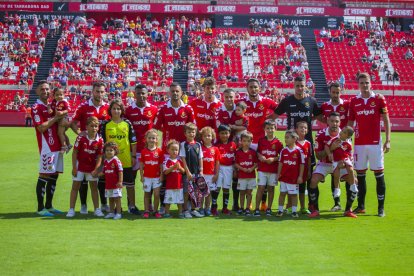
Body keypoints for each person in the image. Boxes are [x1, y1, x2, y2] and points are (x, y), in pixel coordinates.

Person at [347, 73, 390, 217]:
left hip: (375, 144)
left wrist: (388, 140)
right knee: (360, 175)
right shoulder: (354, 101)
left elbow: (386, 119)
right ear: (358, 84)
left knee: (379, 175)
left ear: (371, 83)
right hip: (359, 144)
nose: (364, 85)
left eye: (367, 83)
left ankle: (381, 208)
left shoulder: (378, 99)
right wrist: (346, 139)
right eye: (362, 83)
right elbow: (350, 123)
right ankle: (361, 206)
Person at [70, 82, 110, 214]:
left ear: (105, 93)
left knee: (101, 176)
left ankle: (103, 204)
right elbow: (72, 122)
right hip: (85, 149)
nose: (99, 94)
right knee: (83, 179)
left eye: (102, 92)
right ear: (92, 92)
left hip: (101, 148)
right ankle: (83, 205)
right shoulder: (83, 107)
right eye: (97, 91)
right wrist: (79, 134)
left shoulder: (108, 107)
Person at [308, 112, 357, 218]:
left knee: (354, 180)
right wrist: (331, 149)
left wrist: (343, 163)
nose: (334, 123)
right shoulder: (320, 134)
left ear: (340, 122)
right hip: (325, 164)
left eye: (337, 121)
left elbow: (349, 154)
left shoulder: (346, 134)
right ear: (327, 121)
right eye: (332, 121)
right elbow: (318, 156)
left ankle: (348, 210)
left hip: (341, 164)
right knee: (313, 180)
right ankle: (315, 209)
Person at [32, 80, 65, 217]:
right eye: (42, 89)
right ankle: (40, 208)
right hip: (47, 147)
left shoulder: (52, 105)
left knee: (54, 176)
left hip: (57, 146)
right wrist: (56, 117)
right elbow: (41, 127)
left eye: (47, 89)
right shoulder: (36, 107)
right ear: (37, 91)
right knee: (44, 176)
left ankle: (49, 206)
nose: (45, 91)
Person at [101, 99, 139, 215]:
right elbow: (103, 143)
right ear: (110, 110)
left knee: (130, 185)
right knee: (112, 185)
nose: (116, 111)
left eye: (118, 108)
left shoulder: (127, 123)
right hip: (111, 160)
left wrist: (133, 156)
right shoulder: (106, 125)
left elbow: (133, 141)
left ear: (122, 110)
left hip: (126, 158)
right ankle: (117, 208)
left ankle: (132, 206)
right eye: (114, 108)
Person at [67, 117, 104, 218]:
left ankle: (97, 209)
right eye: (91, 126)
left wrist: (97, 169)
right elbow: (75, 153)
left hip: (92, 167)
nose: (94, 128)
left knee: (94, 188)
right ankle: (71, 209)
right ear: (86, 127)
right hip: (80, 165)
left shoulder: (100, 140)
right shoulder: (81, 138)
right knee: (75, 186)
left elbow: (100, 156)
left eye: (96, 126)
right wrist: (74, 167)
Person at [125, 84, 158, 183]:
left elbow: (160, 125)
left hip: (149, 150)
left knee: (150, 181)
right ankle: (131, 199)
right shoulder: (128, 110)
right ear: (134, 95)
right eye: (138, 93)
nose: (141, 95)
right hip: (133, 151)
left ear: (148, 94)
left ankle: (148, 199)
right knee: (131, 181)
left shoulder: (154, 109)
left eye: (143, 93)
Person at [325, 126, 359, 218]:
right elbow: (327, 146)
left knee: (351, 170)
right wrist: (329, 153)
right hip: (336, 161)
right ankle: (337, 189)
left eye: (343, 132)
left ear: (347, 136)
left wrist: (345, 161)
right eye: (342, 131)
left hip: (345, 160)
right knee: (336, 173)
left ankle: (353, 186)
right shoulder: (334, 139)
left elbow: (350, 154)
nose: (340, 132)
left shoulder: (348, 143)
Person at [215, 88, 240, 210]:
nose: (229, 99)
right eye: (227, 97)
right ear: (223, 98)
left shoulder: (239, 109)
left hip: (236, 144)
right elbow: (218, 127)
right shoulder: (219, 111)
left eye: (231, 97)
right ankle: (214, 206)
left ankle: (235, 204)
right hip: (223, 145)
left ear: (234, 97)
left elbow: (246, 123)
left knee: (235, 179)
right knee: (218, 185)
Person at [154, 83, 195, 151]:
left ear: (181, 93)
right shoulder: (163, 109)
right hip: (168, 149)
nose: (175, 93)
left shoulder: (188, 108)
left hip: (184, 148)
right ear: (169, 93)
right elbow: (156, 128)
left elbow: (193, 127)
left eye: (177, 91)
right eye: (172, 91)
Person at [254, 119, 283, 216]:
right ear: (264, 129)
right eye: (268, 128)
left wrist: (274, 159)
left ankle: (269, 209)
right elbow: (257, 152)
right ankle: (257, 208)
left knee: (271, 189)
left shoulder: (278, 143)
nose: (270, 130)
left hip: (273, 170)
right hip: (262, 169)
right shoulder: (261, 140)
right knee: (261, 188)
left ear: (275, 129)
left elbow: (281, 156)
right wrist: (260, 156)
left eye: (272, 128)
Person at [276, 130, 305, 218]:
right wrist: (278, 174)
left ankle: (294, 211)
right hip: (284, 177)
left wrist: (300, 176)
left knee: (293, 195)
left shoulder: (299, 151)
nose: (285, 139)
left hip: (293, 178)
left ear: (294, 139)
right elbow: (280, 163)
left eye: (287, 138)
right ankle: (280, 210)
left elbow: (302, 164)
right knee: (282, 193)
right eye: (285, 137)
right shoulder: (283, 151)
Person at [179, 123, 204, 218]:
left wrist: (201, 171)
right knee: (186, 192)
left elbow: (200, 158)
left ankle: (193, 210)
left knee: (196, 192)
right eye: (189, 132)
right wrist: (187, 172)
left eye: (193, 132)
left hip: (197, 173)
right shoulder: (183, 144)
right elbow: (183, 159)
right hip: (187, 174)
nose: (191, 134)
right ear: (185, 133)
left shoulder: (198, 144)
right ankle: (186, 210)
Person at [139, 130, 164, 219]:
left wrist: (161, 175)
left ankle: (155, 211)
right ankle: (146, 211)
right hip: (147, 177)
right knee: (147, 194)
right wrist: (141, 176)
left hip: (156, 177)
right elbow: (141, 165)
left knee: (156, 195)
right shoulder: (143, 151)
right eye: (149, 138)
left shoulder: (160, 152)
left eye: (153, 138)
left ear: (157, 139)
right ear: (146, 139)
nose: (151, 140)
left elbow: (161, 165)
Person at [214, 124, 237, 216]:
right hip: (219, 168)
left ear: (229, 134)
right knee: (217, 188)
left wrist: (235, 170)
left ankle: (225, 208)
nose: (224, 135)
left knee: (226, 188)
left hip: (229, 169)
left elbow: (235, 158)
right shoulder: (216, 145)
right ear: (218, 134)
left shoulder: (233, 144)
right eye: (222, 133)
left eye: (226, 133)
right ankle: (214, 208)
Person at [235, 131, 258, 216]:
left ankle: (247, 208)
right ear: (241, 141)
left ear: (251, 141)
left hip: (251, 176)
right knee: (242, 192)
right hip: (242, 176)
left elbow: (256, 163)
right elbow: (236, 163)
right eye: (244, 141)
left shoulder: (253, 152)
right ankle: (241, 207)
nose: (246, 143)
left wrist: (252, 168)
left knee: (249, 192)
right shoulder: (238, 152)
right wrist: (243, 169)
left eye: (248, 141)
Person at [200, 126, 220, 216]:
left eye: (209, 135)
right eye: (205, 136)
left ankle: (207, 208)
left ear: (212, 137)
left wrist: (216, 174)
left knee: (208, 193)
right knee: (201, 193)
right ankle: (200, 208)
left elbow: (217, 162)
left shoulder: (215, 149)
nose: (207, 137)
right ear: (202, 137)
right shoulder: (200, 148)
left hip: (211, 175)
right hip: (202, 174)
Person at [163, 140, 185, 218]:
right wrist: (173, 167)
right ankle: (167, 213)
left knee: (180, 201)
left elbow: (183, 171)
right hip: (170, 186)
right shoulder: (167, 161)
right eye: (172, 149)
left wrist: (179, 168)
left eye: (176, 150)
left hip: (179, 185)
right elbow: (165, 172)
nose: (174, 151)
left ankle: (180, 213)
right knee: (168, 201)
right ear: (168, 150)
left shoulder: (180, 161)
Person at [101, 142, 123, 220]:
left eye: (111, 150)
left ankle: (118, 213)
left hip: (116, 184)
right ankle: (111, 212)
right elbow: (104, 171)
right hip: (108, 184)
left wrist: (120, 182)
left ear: (115, 151)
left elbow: (120, 171)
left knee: (117, 198)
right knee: (110, 198)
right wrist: (98, 173)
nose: (109, 152)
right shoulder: (106, 161)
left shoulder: (116, 160)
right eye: (107, 150)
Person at [295, 121, 312, 214]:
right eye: (301, 127)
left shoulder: (308, 144)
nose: (303, 129)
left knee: (302, 188)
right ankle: (290, 206)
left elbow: (309, 158)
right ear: (296, 129)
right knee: (291, 188)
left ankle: (302, 207)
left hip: (304, 170)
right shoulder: (293, 142)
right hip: (293, 170)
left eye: (305, 128)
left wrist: (309, 170)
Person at [49, 88, 71, 153]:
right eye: (57, 95)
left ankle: (64, 147)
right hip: (58, 119)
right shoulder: (54, 101)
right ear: (54, 95)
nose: (59, 96)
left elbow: (68, 109)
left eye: (61, 95)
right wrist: (49, 109)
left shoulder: (64, 101)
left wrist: (62, 112)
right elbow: (50, 106)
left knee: (60, 133)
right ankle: (69, 144)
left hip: (64, 118)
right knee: (62, 133)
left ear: (64, 95)